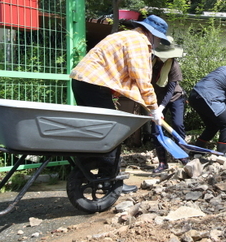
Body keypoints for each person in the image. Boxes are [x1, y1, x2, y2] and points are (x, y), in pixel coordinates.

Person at [69, 15, 169, 193]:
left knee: (96, 132)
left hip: (83, 81)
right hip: (95, 84)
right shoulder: (139, 42)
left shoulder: (125, 36)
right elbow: (142, 80)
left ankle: (86, 173)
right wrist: (154, 108)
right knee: (112, 133)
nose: (158, 42)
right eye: (160, 38)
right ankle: (109, 182)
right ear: (152, 33)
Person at [150, 37, 188, 173]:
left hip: (175, 98)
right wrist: (154, 107)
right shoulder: (151, 62)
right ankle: (162, 162)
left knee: (177, 125)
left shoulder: (174, 66)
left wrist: (161, 108)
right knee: (156, 130)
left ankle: (184, 157)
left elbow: (170, 90)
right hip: (156, 99)